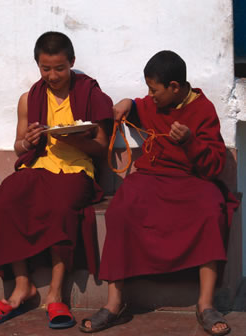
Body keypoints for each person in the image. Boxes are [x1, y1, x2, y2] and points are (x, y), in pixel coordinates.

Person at [79, 50, 239, 335]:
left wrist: (190, 141)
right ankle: (114, 304)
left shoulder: (203, 110)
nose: (150, 96)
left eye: (155, 90)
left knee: (211, 212)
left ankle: (205, 304)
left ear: (175, 87)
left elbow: (214, 165)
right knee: (120, 210)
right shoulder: (153, 104)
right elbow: (140, 107)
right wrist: (128, 102)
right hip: (152, 177)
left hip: (192, 181)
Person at [0, 31, 113, 329]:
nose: (53, 76)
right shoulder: (30, 98)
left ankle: (55, 294)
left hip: (76, 169)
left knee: (62, 208)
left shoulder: (91, 94)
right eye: (45, 68)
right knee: (1, 203)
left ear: (72, 63)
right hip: (37, 166)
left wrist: (72, 139)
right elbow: (19, 146)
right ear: (38, 65)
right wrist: (28, 141)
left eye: (60, 68)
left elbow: (102, 147)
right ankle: (22, 285)